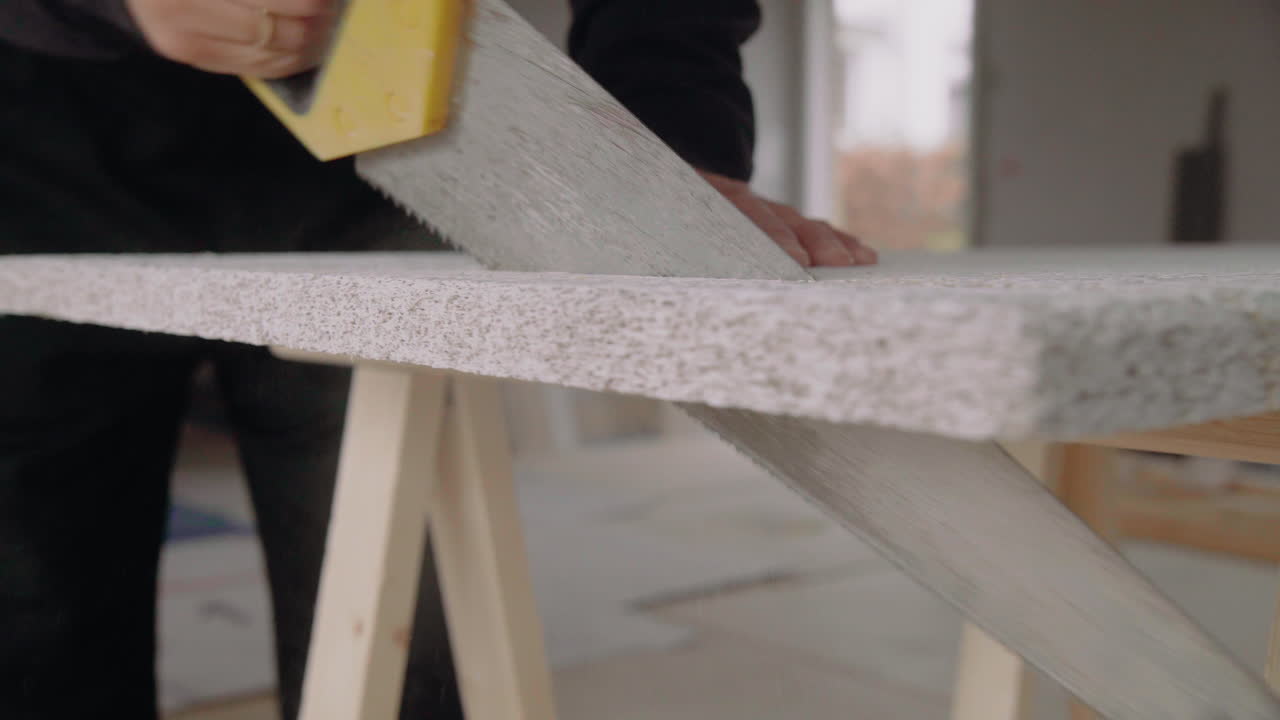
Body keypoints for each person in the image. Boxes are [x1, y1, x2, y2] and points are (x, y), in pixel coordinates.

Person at [0, 1, 876, 719]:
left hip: (377, 136)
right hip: (35, 144)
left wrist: (667, 149)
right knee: (38, 625)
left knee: (394, 635)